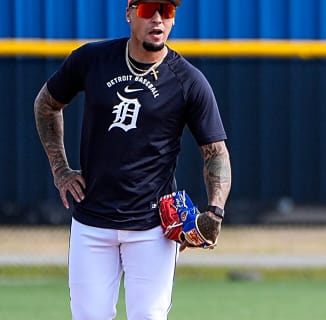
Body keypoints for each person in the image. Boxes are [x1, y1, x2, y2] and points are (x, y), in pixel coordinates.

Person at [33, 0, 231, 318]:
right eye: (148, 9)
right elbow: (47, 103)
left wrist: (216, 211)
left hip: (152, 227)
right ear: (129, 13)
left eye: (166, 11)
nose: (157, 19)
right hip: (93, 221)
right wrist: (60, 169)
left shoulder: (187, 80)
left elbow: (215, 152)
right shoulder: (93, 60)